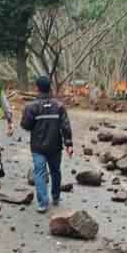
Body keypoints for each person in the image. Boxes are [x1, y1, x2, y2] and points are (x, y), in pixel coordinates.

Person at [21, 76, 73, 213]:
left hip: (38, 147)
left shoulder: (31, 107)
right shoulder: (59, 106)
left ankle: (43, 203)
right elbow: (65, 126)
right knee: (55, 171)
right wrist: (69, 144)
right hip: (55, 146)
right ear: (50, 87)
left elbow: (25, 125)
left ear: (37, 88)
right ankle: (55, 197)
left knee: (39, 173)